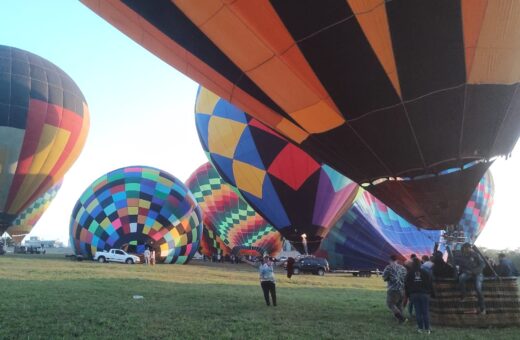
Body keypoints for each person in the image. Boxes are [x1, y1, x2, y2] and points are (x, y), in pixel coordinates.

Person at [405, 257, 434, 334]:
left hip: (414, 294)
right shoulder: (425, 272)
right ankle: (427, 329)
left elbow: (406, 285)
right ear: (420, 263)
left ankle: (420, 329)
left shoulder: (409, 273)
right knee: (425, 312)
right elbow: (430, 284)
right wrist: (432, 294)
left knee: (418, 312)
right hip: (424, 294)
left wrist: (408, 295)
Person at [456, 243, 486, 314]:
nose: (466, 249)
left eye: (468, 248)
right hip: (468, 273)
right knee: (461, 278)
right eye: (465, 248)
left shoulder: (476, 255)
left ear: (470, 248)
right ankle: (463, 295)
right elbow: (461, 267)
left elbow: (482, 265)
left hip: (478, 274)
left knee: (478, 288)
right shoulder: (462, 256)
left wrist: (474, 271)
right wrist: (465, 271)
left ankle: (482, 308)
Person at [382, 255, 407, 323]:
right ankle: (400, 320)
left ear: (390, 260)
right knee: (399, 304)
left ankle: (401, 318)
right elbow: (406, 278)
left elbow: (384, 277)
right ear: (397, 260)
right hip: (402, 289)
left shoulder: (389, 267)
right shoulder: (403, 268)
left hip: (393, 289)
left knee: (390, 304)